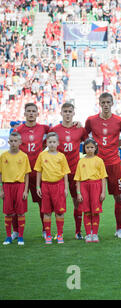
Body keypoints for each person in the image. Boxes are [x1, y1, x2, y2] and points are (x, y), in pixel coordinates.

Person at [85, 92, 121, 239]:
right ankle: (92, 231)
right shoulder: (91, 120)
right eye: (103, 102)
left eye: (108, 102)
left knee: (118, 197)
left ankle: (119, 229)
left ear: (112, 103)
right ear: (99, 104)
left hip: (114, 163)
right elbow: (85, 136)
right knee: (95, 198)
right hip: (96, 165)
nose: (106, 105)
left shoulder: (120, 121)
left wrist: (115, 145)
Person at [49, 102, 87, 240]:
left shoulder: (80, 129)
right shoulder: (54, 130)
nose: (67, 113)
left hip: (76, 172)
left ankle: (78, 232)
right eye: (65, 111)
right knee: (57, 203)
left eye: (70, 111)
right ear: (61, 113)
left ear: (73, 113)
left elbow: (89, 144)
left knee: (77, 201)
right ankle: (59, 232)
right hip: (58, 174)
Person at [14, 102, 50, 238]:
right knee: (17, 202)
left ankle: (45, 229)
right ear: (24, 113)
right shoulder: (18, 131)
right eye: (28, 111)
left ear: (37, 114)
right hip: (21, 172)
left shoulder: (43, 128)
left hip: (37, 172)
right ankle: (16, 231)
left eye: (33, 111)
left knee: (42, 201)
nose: (31, 113)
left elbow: (57, 133)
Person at [34, 132, 71, 244]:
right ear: (46, 143)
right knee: (47, 212)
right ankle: (48, 236)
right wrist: (37, 186)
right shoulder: (42, 155)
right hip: (46, 186)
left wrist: (66, 188)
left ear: (58, 143)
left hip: (59, 186)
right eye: (49, 142)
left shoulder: (61, 156)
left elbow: (65, 173)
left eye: (54, 142)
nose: (52, 144)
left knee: (59, 212)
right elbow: (39, 171)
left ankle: (60, 235)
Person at [0, 132, 31, 246]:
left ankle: (21, 237)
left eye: (15, 141)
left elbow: (27, 174)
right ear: (8, 142)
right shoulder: (3, 156)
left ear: (20, 142)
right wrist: (1, 190)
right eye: (11, 141)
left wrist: (25, 190)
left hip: (20, 186)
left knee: (20, 212)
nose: (13, 143)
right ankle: (8, 236)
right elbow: (1, 173)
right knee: (8, 213)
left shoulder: (24, 156)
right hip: (7, 186)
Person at [74, 138, 107, 243]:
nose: (89, 149)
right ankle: (88, 234)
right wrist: (78, 193)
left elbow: (103, 177)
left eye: (92, 147)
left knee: (95, 212)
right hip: (84, 186)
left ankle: (95, 234)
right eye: (87, 147)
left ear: (95, 148)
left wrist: (103, 192)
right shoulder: (81, 161)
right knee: (87, 211)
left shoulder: (99, 160)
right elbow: (78, 179)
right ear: (84, 148)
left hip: (96, 186)